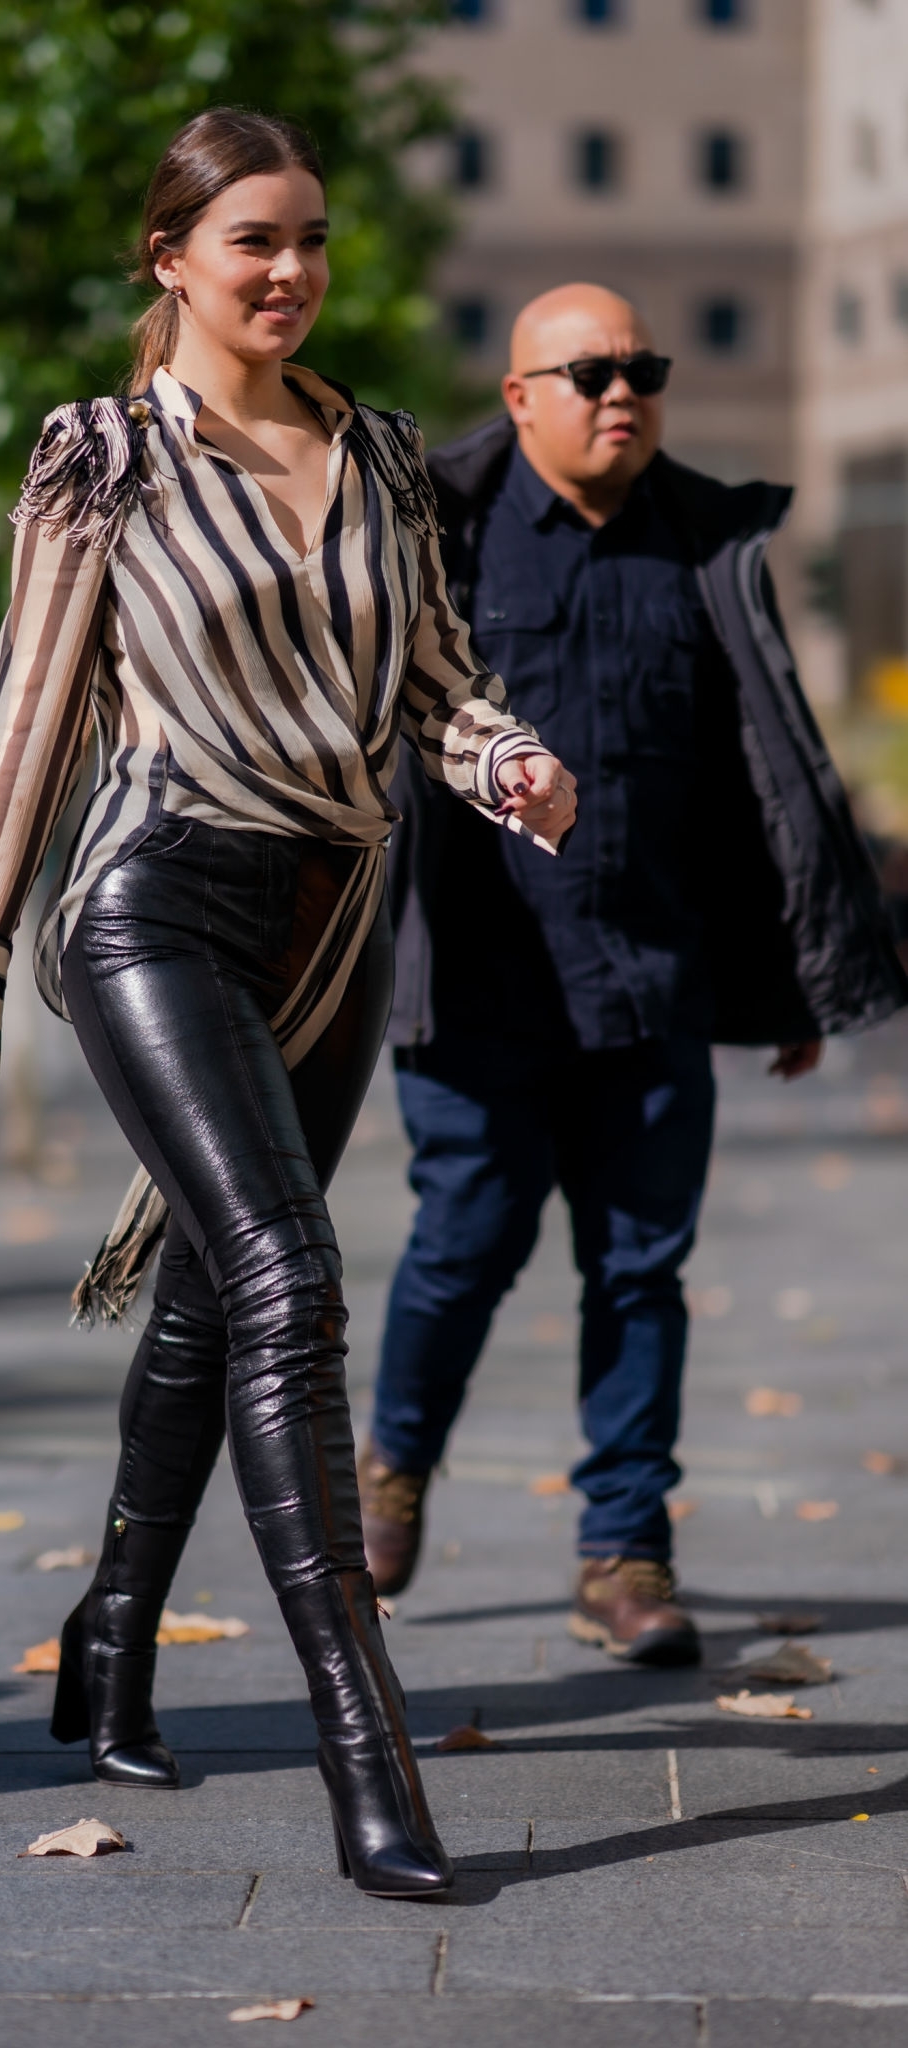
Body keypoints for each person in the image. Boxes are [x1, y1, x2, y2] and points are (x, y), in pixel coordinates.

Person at [0, 110, 575, 1899]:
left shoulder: (375, 451)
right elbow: (28, 718)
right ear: (171, 261)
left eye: (311, 241)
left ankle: (113, 1626)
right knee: (293, 1275)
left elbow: (435, 679)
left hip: (339, 918)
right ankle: (371, 1756)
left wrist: (505, 752)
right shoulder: (102, 455)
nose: (288, 272)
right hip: (152, 904)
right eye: (250, 243)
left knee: (216, 1297)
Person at [360, 284, 907, 1664]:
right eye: (588, 369)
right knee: (460, 1252)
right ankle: (392, 1465)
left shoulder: (705, 540)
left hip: (654, 984)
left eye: (642, 368)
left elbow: (758, 782)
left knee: (641, 1273)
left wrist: (783, 985)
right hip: (481, 987)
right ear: (519, 396)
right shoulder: (445, 532)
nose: (622, 390)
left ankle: (623, 1554)